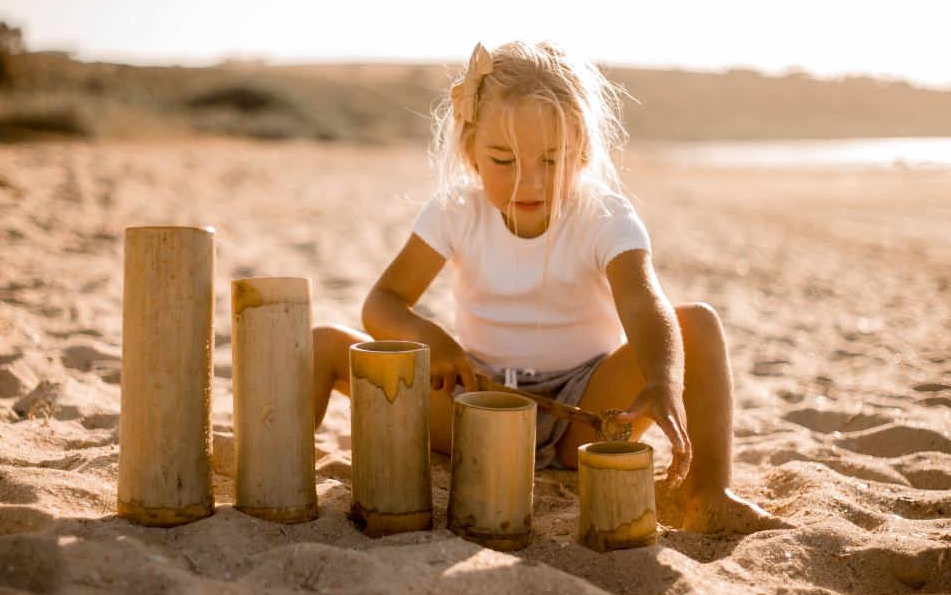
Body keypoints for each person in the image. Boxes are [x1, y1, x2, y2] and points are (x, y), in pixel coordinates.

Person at [312, 39, 789, 535]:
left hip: (585, 414)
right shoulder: (455, 210)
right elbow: (383, 302)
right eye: (503, 160)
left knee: (698, 323)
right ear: (470, 150)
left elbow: (645, 305)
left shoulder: (602, 215)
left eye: (552, 160)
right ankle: (289, 471)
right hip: (474, 404)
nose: (529, 183)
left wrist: (663, 380)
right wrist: (438, 343)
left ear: (582, 153)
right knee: (325, 341)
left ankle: (709, 494)